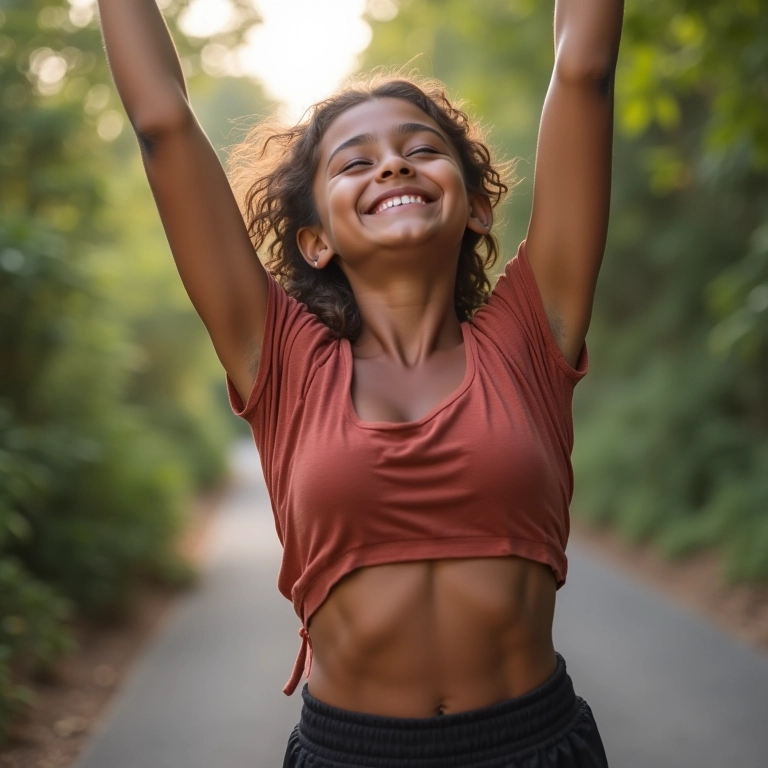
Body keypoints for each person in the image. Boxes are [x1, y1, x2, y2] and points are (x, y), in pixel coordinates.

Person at [98, 1, 623, 765]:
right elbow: (161, 122)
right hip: (352, 753)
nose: (393, 164)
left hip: (534, 744)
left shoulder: (531, 336)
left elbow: (584, 71)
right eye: (354, 162)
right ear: (315, 240)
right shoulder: (279, 362)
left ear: (477, 207)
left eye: (421, 148)